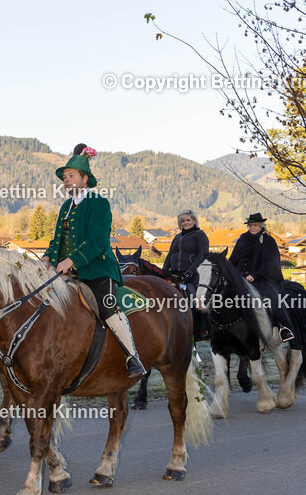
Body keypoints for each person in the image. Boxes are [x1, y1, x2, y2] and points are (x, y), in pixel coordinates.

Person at [43, 144, 146, 378]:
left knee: (107, 306)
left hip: (98, 269)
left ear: (85, 178)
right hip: (67, 271)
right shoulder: (65, 207)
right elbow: (58, 239)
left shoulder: (99, 204)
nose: (66, 181)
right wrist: (48, 256)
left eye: (71, 176)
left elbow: (97, 241)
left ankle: (132, 357)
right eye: (65, 177)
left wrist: (70, 261)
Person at [229, 212, 294, 343]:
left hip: (263, 278)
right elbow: (233, 259)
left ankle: (284, 328)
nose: (252, 227)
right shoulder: (243, 239)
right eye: (250, 225)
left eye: (255, 225)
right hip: (241, 277)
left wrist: (254, 275)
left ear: (261, 226)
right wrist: (234, 274)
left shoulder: (269, 241)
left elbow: (272, 263)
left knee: (273, 298)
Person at [162, 209, 209, 339]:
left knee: (197, 299)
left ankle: (202, 330)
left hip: (194, 273)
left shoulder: (200, 235)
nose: (185, 223)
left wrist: (192, 271)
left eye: (188, 220)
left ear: (194, 221)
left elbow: (203, 254)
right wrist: (164, 270)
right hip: (176, 274)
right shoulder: (177, 237)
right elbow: (170, 254)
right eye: (183, 221)